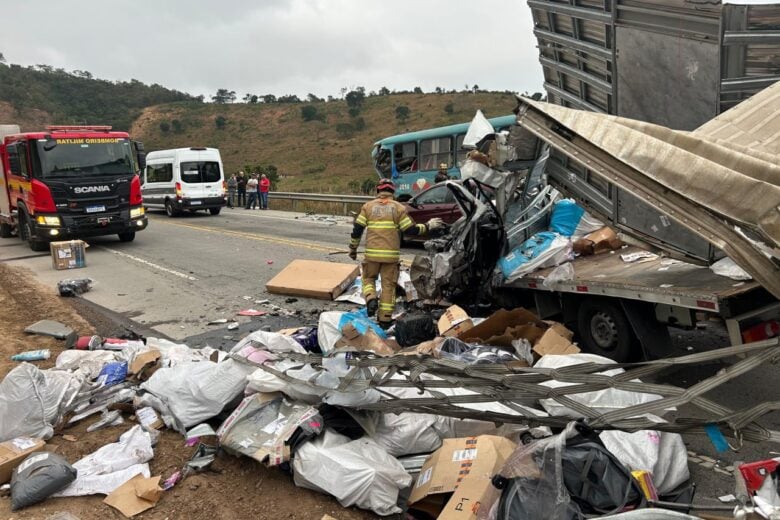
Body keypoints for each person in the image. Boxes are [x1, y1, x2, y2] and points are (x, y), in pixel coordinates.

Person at [349, 178, 444, 327]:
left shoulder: (367, 207)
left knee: (368, 279)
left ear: (378, 191)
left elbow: (357, 230)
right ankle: (385, 319)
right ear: (392, 192)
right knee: (388, 287)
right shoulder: (399, 208)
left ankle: (371, 298)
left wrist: (353, 249)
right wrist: (428, 226)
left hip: (372, 256)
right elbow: (410, 230)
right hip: (390, 257)